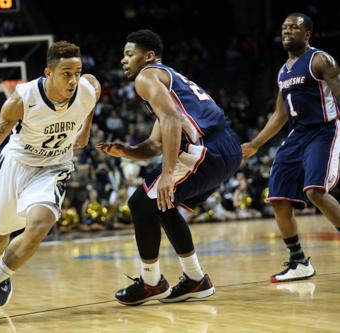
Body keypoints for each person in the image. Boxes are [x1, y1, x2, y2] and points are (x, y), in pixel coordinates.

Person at [0, 41, 101, 318]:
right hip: (18, 162)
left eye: (77, 72)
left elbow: (93, 90)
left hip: (54, 166)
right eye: (65, 73)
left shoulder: (88, 90)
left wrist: (85, 125)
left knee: (41, 223)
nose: (73, 79)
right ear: (48, 73)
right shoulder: (21, 100)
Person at [97, 30, 241, 305]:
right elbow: (153, 144)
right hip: (224, 147)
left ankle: (151, 282)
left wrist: (166, 174)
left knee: (140, 202)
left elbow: (173, 120)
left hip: (207, 148)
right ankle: (195, 278)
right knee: (162, 204)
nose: (123, 60)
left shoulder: (147, 76)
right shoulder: (167, 82)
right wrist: (126, 151)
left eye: (129, 54)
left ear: (148, 56)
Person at [242, 13, 340, 282]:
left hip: (324, 130)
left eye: (294, 28)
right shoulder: (283, 71)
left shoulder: (320, 60)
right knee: (277, 196)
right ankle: (299, 262)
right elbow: (279, 114)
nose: (287, 31)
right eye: (284, 27)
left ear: (307, 34)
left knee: (315, 191)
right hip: (297, 135)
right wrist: (255, 144)